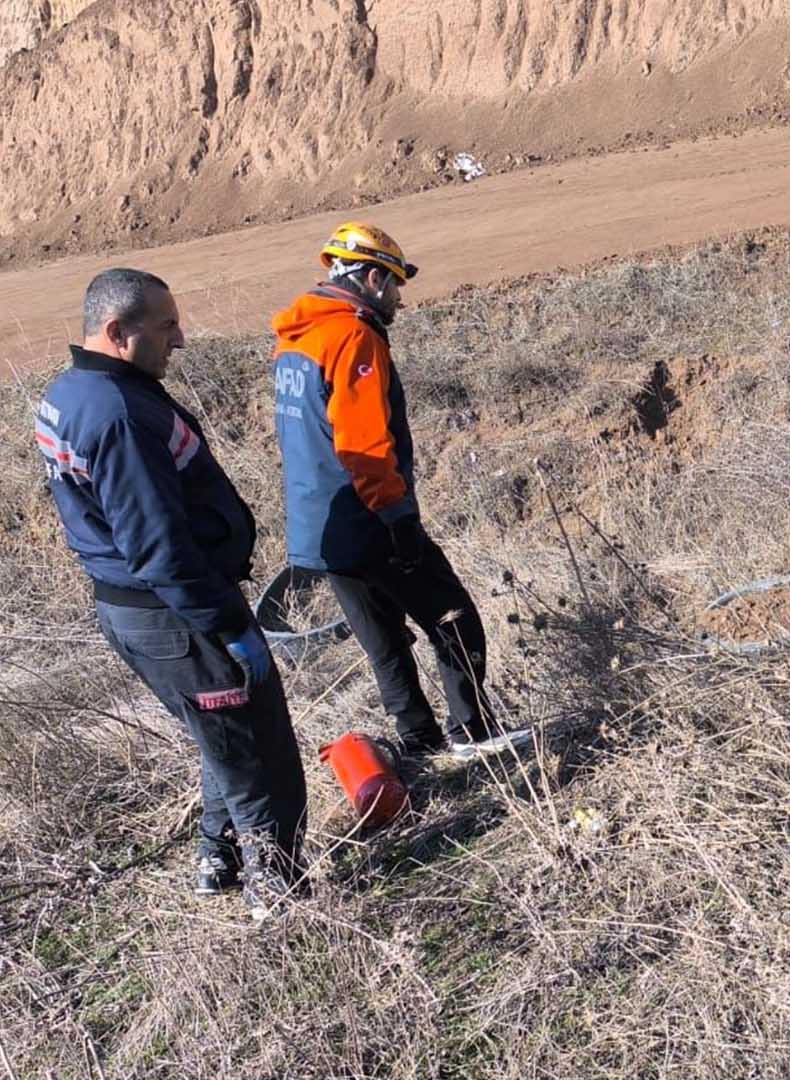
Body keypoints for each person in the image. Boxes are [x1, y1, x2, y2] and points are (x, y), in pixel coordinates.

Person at [37, 268, 307, 917]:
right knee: (257, 756)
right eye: (166, 326)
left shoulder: (75, 392)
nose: (180, 339)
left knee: (220, 733)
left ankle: (218, 861)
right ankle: (285, 901)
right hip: (179, 615)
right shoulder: (119, 414)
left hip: (147, 612)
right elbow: (158, 548)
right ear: (117, 331)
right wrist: (228, 626)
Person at [272, 223, 527, 759]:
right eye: (394, 284)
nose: (398, 298)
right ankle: (473, 735)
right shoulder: (353, 336)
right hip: (368, 517)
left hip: (319, 527)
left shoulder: (296, 339)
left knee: (382, 640)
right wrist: (398, 519)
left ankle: (420, 743)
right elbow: (363, 441)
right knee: (452, 618)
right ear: (371, 278)